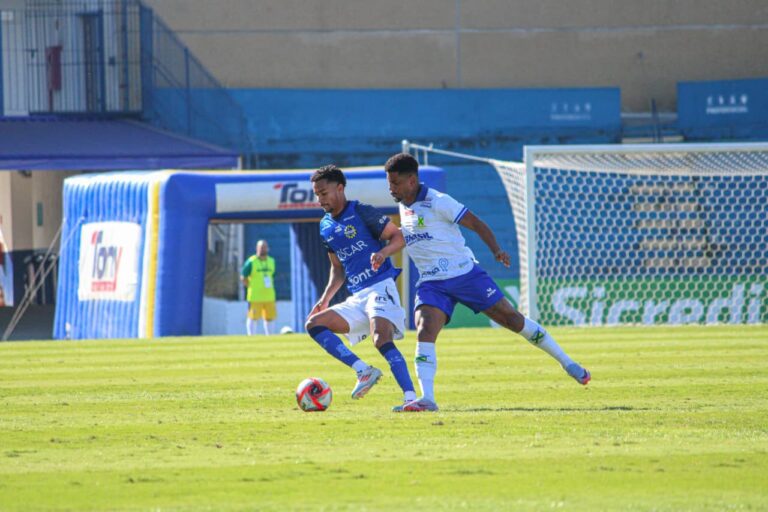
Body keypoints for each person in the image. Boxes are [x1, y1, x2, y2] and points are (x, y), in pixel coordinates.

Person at [384, 152, 591, 412]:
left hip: (465, 275)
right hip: (432, 282)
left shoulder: (438, 201)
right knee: (424, 329)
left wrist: (496, 251)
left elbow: (476, 223)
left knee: (512, 319)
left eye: (395, 183)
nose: (391, 188)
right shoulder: (404, 204)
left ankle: (567, 362)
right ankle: (427, 398)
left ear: (412, 181)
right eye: (389, 182)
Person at [305, 165, 417, 407]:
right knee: (314, 324)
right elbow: (337, 269)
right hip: (358, 297)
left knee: (380, 339)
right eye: (316, 194)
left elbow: (398, 236)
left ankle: (411, 398)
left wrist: (383, 253)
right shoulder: (325, 227)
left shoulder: (362, 211)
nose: (319, 199)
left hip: (380, 287)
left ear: (340, 188)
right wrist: (325, 300)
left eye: (323, 193)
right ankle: (363, 370)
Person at [240, 240, 276, 335]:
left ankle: (270, 337)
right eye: (260, 247)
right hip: (255, 296)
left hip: (269, 295)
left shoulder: (271, 261)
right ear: (257, 248)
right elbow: (243, 276)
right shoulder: (251, 262)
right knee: (253, 317)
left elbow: (272, 276)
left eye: (264, 247)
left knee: (269, 317)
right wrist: (250, 286)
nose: (262, 249)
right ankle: (251, 336)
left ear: (267, 248)